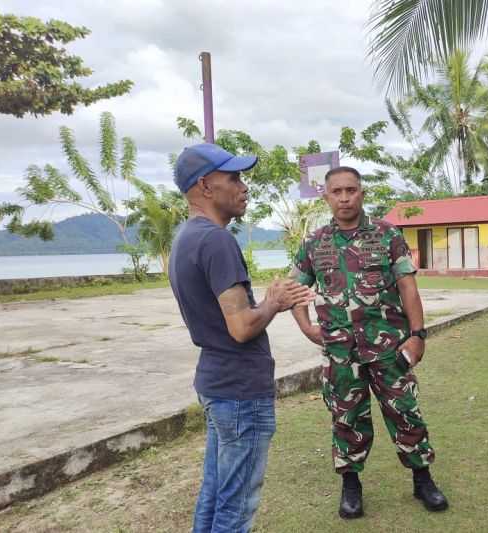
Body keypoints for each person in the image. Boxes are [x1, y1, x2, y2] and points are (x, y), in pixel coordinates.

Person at [169, 143, 314, 533]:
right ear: (206, 186)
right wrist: (274, 302)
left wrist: (266, 302)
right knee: (236, 506)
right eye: (233, 177)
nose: (244, 186)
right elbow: (241, 327)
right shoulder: (216, 240)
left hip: (216, 382)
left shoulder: (185, 238)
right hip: (239, 390)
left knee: (216, 492)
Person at [290, 166, 449, 519]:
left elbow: (408, 286)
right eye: (337, 192)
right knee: (346, 418)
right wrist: (306, 327)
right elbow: (295, 290)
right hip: (340, 354)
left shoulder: (387, 235)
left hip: (389, 349)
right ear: (326, 196)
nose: (345, 198)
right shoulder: (314, 242)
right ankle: (351, 486)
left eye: (351, 190)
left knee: (406, 413)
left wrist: (418, 335)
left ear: (362, 193)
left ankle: (423, 480)